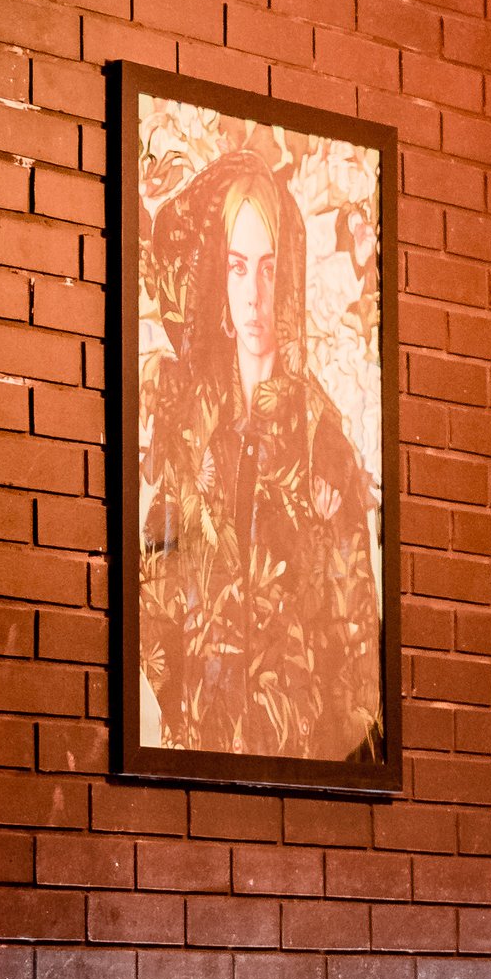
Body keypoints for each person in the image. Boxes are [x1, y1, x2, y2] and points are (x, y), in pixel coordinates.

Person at [137, 149, 380, 765]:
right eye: (239, 267)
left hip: (297, 757)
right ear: (220, 274)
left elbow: (351, 627)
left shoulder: (319, 436)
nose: (254, 295)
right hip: (203, 750)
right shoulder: (190, 423)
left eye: (269, 269)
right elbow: (158, 584)